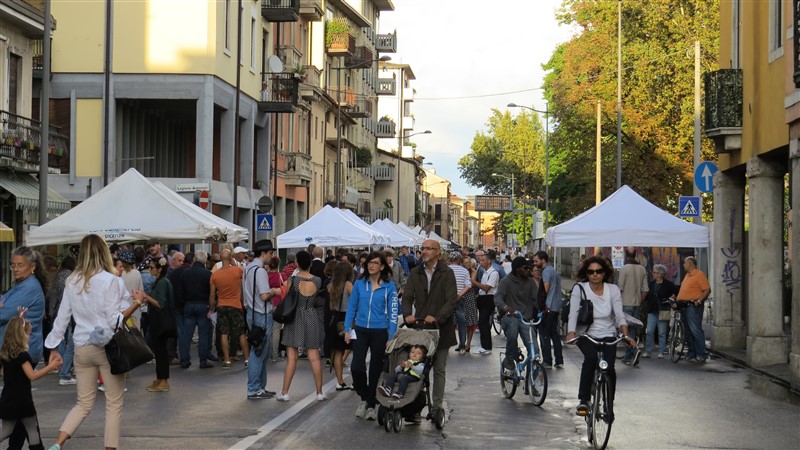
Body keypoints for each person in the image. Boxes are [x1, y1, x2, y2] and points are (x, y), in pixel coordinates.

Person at [45, 234, 144, 450]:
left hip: (82, 346)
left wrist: (53, 347)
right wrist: (136, 303)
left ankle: (57, 444)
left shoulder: (72, 280)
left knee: (83, 403)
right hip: (106, 347)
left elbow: (62, 318)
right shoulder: (113, 281)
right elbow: (115, 321)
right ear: (104, 253)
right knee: (114, 403)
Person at [565, 255, 634, 418]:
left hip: (608, 334)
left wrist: (625, 335)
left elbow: (619, 315)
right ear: (586, 273)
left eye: (598, 271)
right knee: (591, 359)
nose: (595, 274)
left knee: (609, 369)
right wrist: (571, 333)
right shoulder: (579, 288)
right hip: (586, 334)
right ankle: (583, 399)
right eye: (591, 272)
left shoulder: (613, 289)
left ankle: (609, 405)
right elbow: (573, 313)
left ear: (604, 273)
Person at [402, 239, 457, 421]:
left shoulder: (447, 273)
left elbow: (451, 300)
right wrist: (408, 314)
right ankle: (414, 406)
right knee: (416, 369)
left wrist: (438, 318)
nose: (424, 251)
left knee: (439, 369)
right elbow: (407, 297)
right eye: (422, 248)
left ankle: (437, 406)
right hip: (420, 328)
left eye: (428, 249)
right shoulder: (415, 272)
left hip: (441, 328)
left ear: (437, 252)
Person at [344, 251, 399, 421]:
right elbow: (351, 307)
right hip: (360, 329)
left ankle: (370, 405)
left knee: (375, 368)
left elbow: (393, 312)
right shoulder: (360, 284)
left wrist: (391, 335)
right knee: (357, 367)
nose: (371, 265)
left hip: (380, 331)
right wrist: (347, 329)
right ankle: (366, 397)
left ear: (382, 266)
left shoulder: (389, 287)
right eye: (369, 262)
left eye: (375, 262)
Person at [0, 316, 61, 450]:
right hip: (23, 404)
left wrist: (20, 317)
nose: (29, 337)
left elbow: (4, 373)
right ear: (21, 335)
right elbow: (32, 376)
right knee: (33, 437)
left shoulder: (5, 355)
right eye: (28, 333)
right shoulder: (22, 356)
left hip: (8, 401)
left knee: (14, 436)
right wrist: (51, 366)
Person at [276, 250, 327, 402]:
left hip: (295, 317)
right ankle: (319, 392)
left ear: (297, 263)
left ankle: (285, 392)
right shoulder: (317, 280)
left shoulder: (293, 279)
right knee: (314, 356)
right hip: (311, 315)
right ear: (310, 263)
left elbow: (286, 297)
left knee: (292, 357)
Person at [243, 240, 282, 400]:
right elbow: (264, 295)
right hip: (261, 313)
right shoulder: (259, 271)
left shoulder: (248, 269)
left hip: (252, 312)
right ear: (264, 253)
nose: (271, 256)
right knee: (258, 353)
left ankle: (260, 387)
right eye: (271, 253)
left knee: (261, 352)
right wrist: (275, 291)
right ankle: (254, 388)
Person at [133, 257, 173, 392]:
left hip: (160, 321)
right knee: (159, 349)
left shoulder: (162, 283)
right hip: (157, 320)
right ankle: (160, 378)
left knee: (161, 350)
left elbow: (160, 304)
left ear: (160, 269)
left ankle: (164, 380)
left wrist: (146, 296)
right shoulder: (160, 281)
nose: (149, 270)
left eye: (152, 267)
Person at [494, 257, 538, 367]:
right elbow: (498, 298)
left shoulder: (531, 282)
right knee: (513, 326)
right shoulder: (506, 282)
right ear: (517, 270)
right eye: (526, 268)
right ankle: (509, 357)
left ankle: (534, 372)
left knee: (534, 347)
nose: (529, 270)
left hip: (525, 318)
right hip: (509, 316)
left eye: (530, 268)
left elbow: (536, 300)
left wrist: (545, 308)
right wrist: (505, 307)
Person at [209, 249, 248, 369]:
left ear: (220, 258)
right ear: (231, 258)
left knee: (224, 333)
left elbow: (211, 295)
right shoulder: (237, 270)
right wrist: (233, 262)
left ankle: (226, 360)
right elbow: (244, 277)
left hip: (221, 306)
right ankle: (247, 359)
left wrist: (211, 309)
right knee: (241, 333)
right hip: (236, 305)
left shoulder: (215, 275)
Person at [178, 250, 213, 369]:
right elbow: (211, 292)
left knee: (186, 334)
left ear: (194, 259)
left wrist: (183, 304)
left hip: (189, 305)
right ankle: (203, 360)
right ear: (205, 260)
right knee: (203, 334)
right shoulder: (208, 274)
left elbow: (180, 291)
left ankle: (184, 359)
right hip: (203, 305)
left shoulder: (186, 273)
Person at [676, 256, 711, 363]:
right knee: (687, 331)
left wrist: (699, 301)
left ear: (690, 264)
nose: (683, 265)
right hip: (684, 306)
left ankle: (701, 354)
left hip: (693, 306)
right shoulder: (687, 275)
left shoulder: (699, 274)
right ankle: (692, 352)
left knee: (695, 330)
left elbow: (707, 289)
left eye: (684, 263)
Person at [617, 248, 648, 365]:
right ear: (635, 255)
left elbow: (620, 288)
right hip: (636, 304)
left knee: (625, 330)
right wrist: (639, 301)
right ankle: (631, 353)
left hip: (625, 303)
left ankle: (631, 353)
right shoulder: (642, 269)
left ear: (626, 255)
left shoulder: (624, 269)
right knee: (633, 330)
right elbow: (645, 290)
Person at [533, 251, 564, 369]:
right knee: (554, 334)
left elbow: (544, 290)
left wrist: (543, 306)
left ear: (543, 260)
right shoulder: (553, 270)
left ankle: (547, 360)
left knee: (544, 334)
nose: (535, 264)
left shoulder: (546, 272)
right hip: (555, 306)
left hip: (548, 307)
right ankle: (559, 359)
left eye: (536, 261)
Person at [50, 256, 77, 386]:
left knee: (61, 339)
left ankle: (59, 364)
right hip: (68, 313)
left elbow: (53, 296)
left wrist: (50, 311)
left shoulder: (58, 276)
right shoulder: (71, 277)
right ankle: (65, 372)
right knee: (70, 344)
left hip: (56, 311)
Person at [327, 261, 354, 390]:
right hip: (347, 319)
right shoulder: (348, 285)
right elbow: (356, 301)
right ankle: (355, 380)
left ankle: (340, 381)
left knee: (338, 352)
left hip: (334, 321)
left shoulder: (330, 285)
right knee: (356, 349)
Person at [646, 264, 676, 359]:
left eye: (654, 272)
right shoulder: (651, 284)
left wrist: (672, 298)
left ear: (660, 274)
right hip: (652, 310)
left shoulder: (668, 284)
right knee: (650, 331)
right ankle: (648, 350)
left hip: (663, 310)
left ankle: (662, 351)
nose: (653, 274)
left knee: (662, 332)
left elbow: (676, 291)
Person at [472, 250, 499, 355]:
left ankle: (487, 346)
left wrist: (474, 282)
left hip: (488, 298)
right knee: (482, 322)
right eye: (480, 260)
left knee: (484, 322)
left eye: (483, 260)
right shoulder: (484, 272)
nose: (481, 262)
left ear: (489, 261)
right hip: (483, 298)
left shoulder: (494, 273)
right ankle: (484, 345)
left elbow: (487, 287)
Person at [447, 252, 472, 355]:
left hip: (447, 299)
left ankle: (446, 345)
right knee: (462, 323)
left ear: (450, 259)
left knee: (447, 323)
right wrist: (460, 295)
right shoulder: (464, 271)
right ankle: (462, 345)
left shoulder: (446, 270)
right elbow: (468, 285)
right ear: (459, 260)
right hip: (460, 299)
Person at [459, 256, 480, 353]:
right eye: (465, 262)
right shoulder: (461, 271)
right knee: (461, 320)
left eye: (468, 262)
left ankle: (468, 343)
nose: (467, 264)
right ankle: (461, 343)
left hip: (470, 297)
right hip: (461, 296)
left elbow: (471, 284)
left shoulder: (473, 271)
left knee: (470, 321)